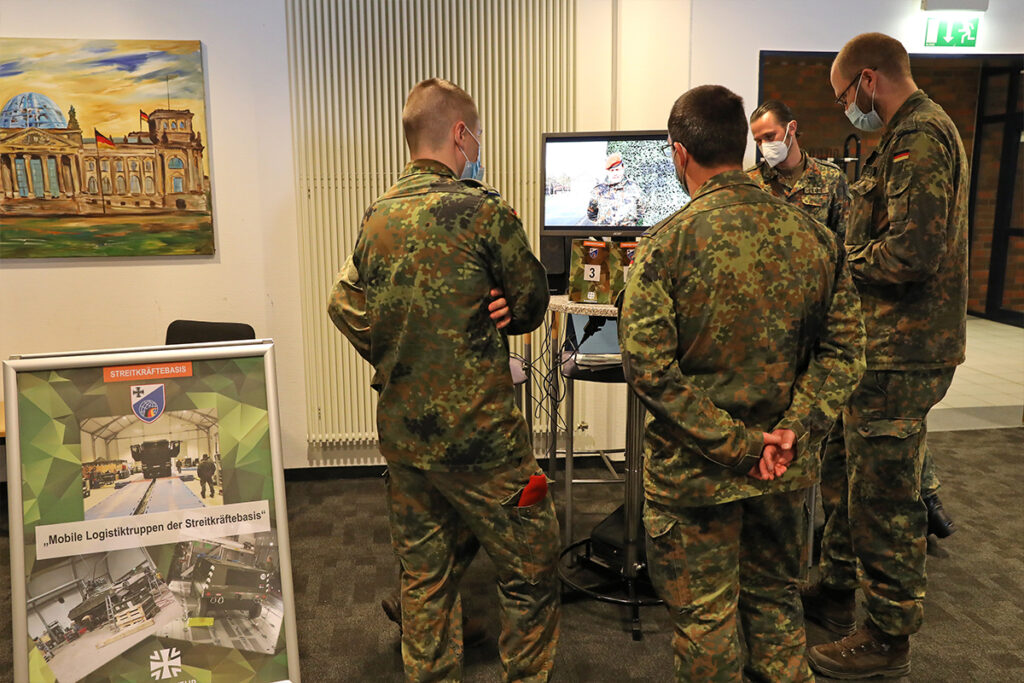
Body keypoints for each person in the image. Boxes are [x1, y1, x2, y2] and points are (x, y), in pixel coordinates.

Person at [618, 84, 865, 681]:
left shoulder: (664, 247)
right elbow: (846, 350)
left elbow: (649, 368)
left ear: (679, 155)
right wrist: (787, 433)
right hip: (784, 472)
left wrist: (737, 446)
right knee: (777, 605)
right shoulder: (815, 238)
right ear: (742, 145)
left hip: (697, 479)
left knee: (706, 626)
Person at [328, 78, 560, 682]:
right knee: (531, 566)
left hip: (407, 440)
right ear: (461, 134)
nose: (476, 144)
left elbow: (342, 301)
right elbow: (533, 301)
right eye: (474, 134)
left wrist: (397, 354)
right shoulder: (482, 210)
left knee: (424, 582)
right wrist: (508, 307)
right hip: (485, 444)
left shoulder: (377, 217)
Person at [806, 33, 969, 680]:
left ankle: (886, 634)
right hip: (880, 345)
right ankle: (838, 584)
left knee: (885, 493)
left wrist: (834, 261)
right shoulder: (906, 132)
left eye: (845, 96)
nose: (849, 108)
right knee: (846, 467)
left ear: (868, 79)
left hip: (904, 348)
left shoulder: (919, 138)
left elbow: (910, 253)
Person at [586, 152, 645, 226]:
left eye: (617, 170)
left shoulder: (634, 187)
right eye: (612, 171)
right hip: (604, 235)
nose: (615, 173)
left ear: (623, 168)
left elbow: (641, 211)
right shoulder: (598, 190)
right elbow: (591, 214)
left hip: (628, 235)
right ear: (607, 172)